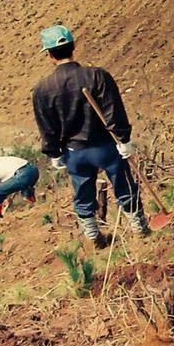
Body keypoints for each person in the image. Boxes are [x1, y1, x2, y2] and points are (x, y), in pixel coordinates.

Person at [32, 24, 146, 246]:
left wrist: (54, 152)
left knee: (83, 195)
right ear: (73, 47)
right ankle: (139, 231)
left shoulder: (43, 89)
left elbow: (47, 126)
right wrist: (124, 139)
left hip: (75, 153)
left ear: (48, 54)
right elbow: (114, 110)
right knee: (124, 187)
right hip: (106, 147)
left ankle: (93, 238)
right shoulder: (97, 76)